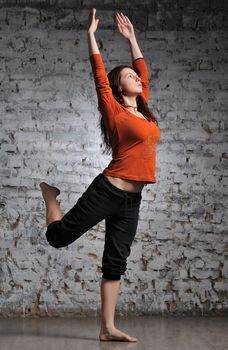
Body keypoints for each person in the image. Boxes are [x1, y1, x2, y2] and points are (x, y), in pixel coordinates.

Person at [40, 8, 160, 342]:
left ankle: (107, 328)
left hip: (132, 200)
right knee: (58, 237)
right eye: (129, 76)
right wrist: (91, 35)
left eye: (136, 77)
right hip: (107, 191)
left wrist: (132, 38)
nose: (137, 78)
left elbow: (144, 71)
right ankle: (50, 196)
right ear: (118, 86)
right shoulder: (115, 109)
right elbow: (98, 75)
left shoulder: (144, 110)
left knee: (115, 264)